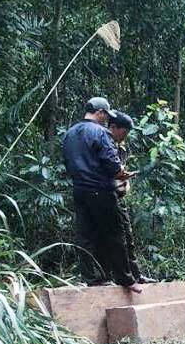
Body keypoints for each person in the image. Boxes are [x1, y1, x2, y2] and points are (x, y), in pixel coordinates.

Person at [62, 97, 142, 292]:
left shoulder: (69, 133)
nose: (106, 120)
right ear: (99, 112)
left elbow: (68, 162)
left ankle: (93, 279)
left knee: (86, 236)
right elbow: (111, 163)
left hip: (79, 190)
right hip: (100, 189)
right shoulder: (100, 132)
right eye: (106, 115)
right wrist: (122, 173)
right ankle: (125, 279)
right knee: (114, 233)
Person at [107, 111, 157, 284]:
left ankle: (135, 275)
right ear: (113, 127)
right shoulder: (103, 144)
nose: (125, 136)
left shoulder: (121, 149)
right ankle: (112, 277)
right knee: (112, 238)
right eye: (124, 132)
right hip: (104, 196)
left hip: (118, 196)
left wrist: (125, 181)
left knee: (127, 236)